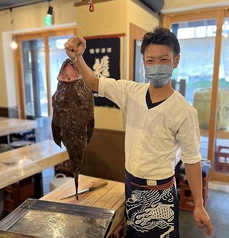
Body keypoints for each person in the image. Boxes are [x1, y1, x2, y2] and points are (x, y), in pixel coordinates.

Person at [64, 26, 213, 237]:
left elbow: (192, 160)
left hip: (160, 192)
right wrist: (77, 58)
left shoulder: (185, 111)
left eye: (164, 59)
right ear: (144, 62)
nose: (156, 66)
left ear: (175, 61)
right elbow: (93, 82)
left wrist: (198, 204)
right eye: (150, 60)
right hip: (131, 186)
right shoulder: (131, 92)